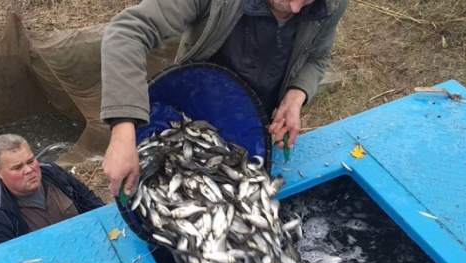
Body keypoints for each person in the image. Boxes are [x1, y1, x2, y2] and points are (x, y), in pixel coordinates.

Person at [100, 0, 347, 196]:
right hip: (190, 109)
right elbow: (127, 33)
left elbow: (317, 57)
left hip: (250, 123)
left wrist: (296, 95)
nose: (295, 8)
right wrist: (122, 131)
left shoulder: (330, 3)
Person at [0, 134, 104, 250]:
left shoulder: (52, 173)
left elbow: (92, 203)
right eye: (17, 168)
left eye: (31, 161)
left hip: (85, 244)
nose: (29, 170)